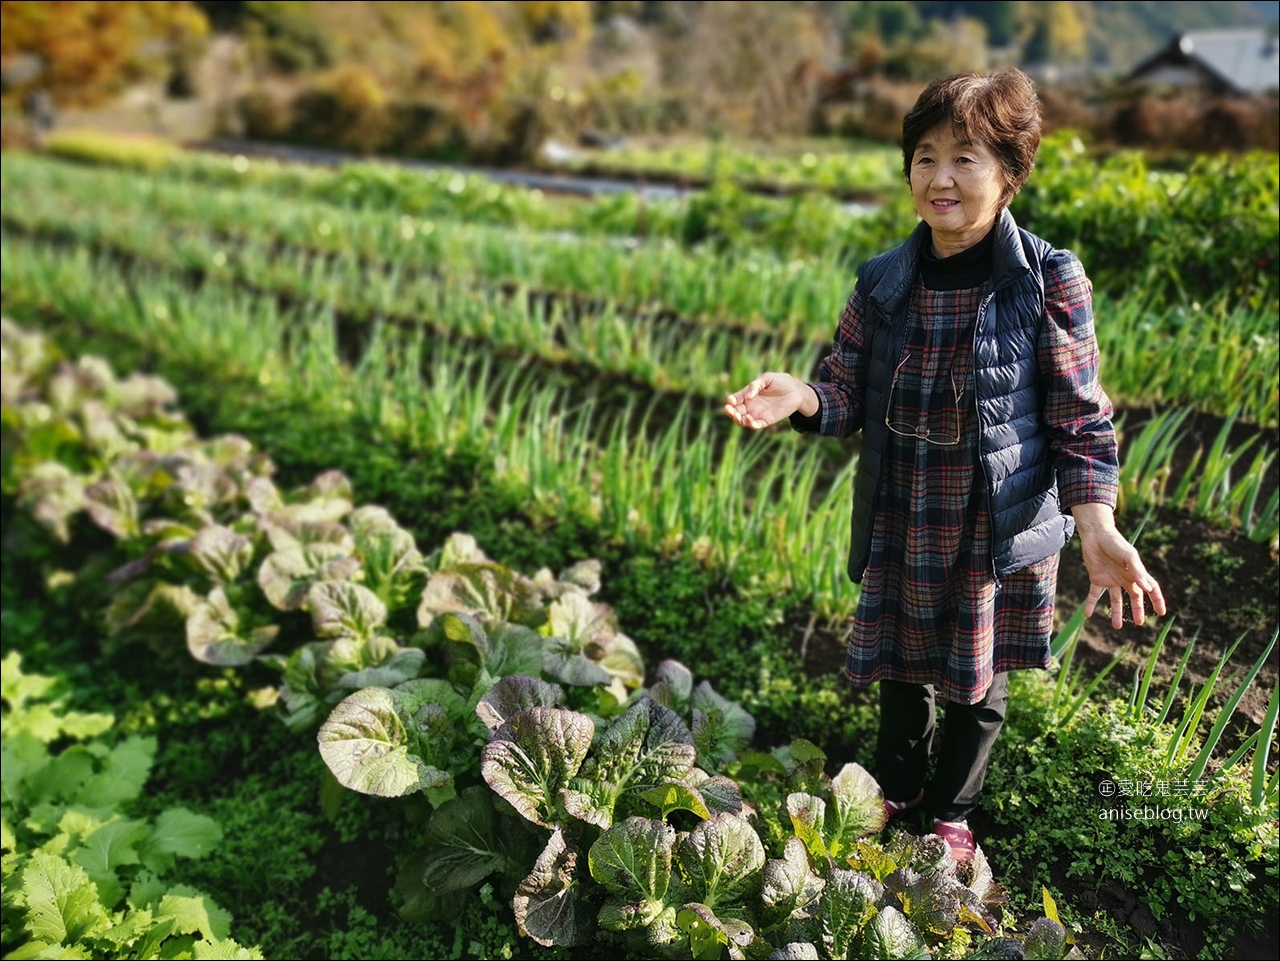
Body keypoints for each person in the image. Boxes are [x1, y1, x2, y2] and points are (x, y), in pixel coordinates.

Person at [723, 69, 1166, 864]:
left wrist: (1095, 519)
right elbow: (845, 390)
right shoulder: (884, 279)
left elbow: (1079, 415)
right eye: (924, 157)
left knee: (978, 679)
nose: (940, 178)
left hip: (994, 517)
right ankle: (896, 784)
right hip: (904, 503)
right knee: (900, 661)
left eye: (965, 157)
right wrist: (801, 395)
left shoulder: (1046, 278)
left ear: (1010, 171)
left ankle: (953, 812)